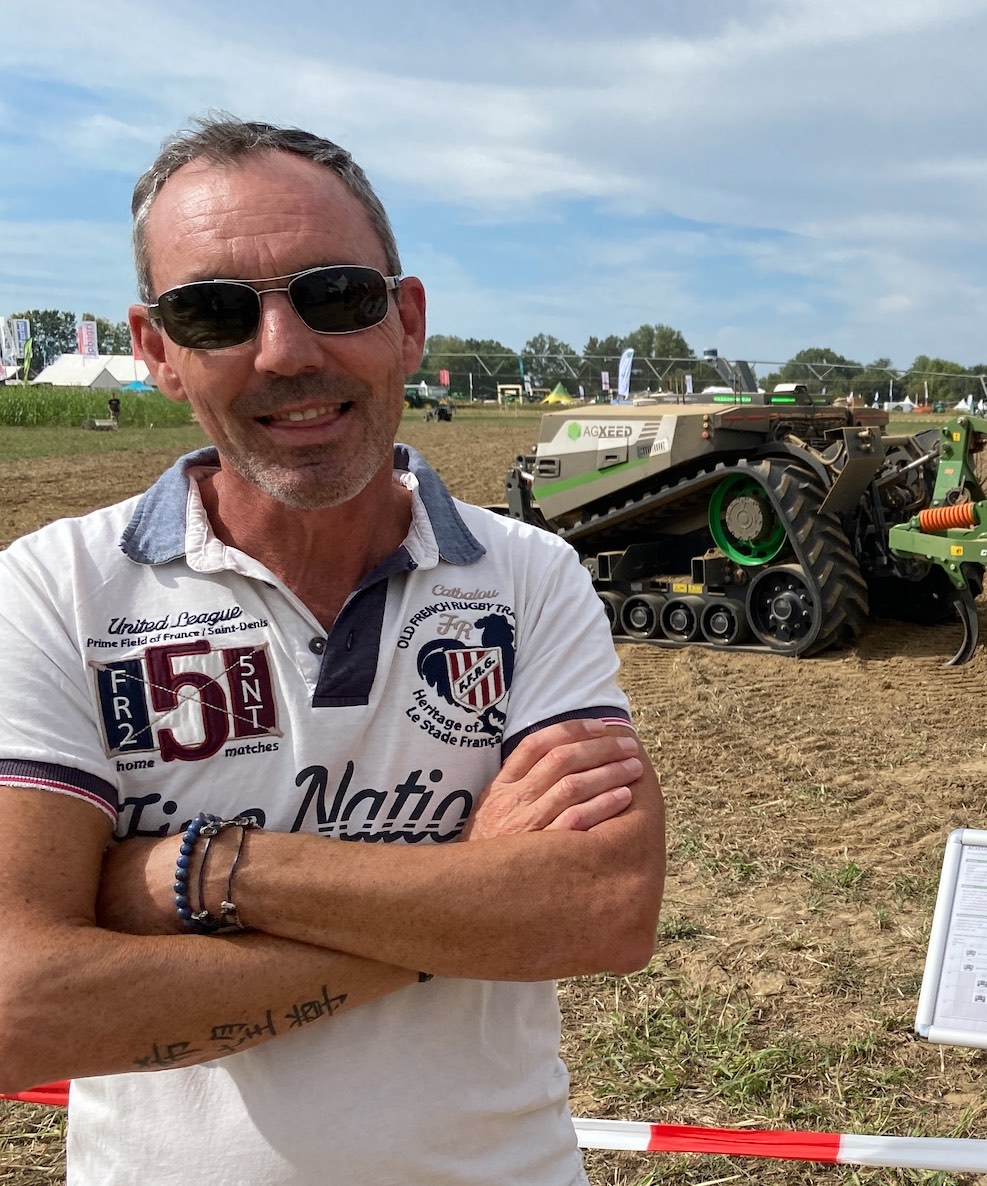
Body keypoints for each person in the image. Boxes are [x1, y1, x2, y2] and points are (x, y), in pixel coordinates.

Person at [0, 116, 666, 1185]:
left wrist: (195, 874)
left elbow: (598, 908)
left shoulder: (529, 574)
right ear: (159, 351)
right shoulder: (53, 588)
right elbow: (21, 1006)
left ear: (405, 321)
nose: (287, 349)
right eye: (215, 311)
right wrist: (468, 902)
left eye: (335, 295)